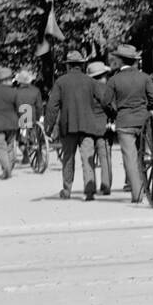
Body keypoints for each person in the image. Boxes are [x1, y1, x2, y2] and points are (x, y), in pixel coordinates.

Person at [45, 50, 107, 200]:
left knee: (68, 158)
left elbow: (52, 107)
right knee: (87, 157)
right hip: (88, 125)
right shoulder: (90, 81)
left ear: (68, 66)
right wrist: (112, 115)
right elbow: (104, 99)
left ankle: (67, 190)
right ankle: (89, 190)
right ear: (81, 65)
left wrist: (49, 126)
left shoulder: (60, 82)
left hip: (68, 126)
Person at [104, 43, 153, 204]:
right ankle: (147, 186)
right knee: (144, 156)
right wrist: (147, 109)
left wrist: (114, 114)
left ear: (120, 61)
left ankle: (137, 193)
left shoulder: (114, 80)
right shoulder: (145, 78)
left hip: (124, 122)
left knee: (130, 158)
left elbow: (106, 102)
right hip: (143, 120)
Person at [86, 60, 115, 195]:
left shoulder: (85, 89)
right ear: (103, 75)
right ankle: (106, 184)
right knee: (105, 156)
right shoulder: (105, 89)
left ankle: (90, 186)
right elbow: (110, 106)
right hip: (103, 126)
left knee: (88, 157)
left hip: (87, 126)